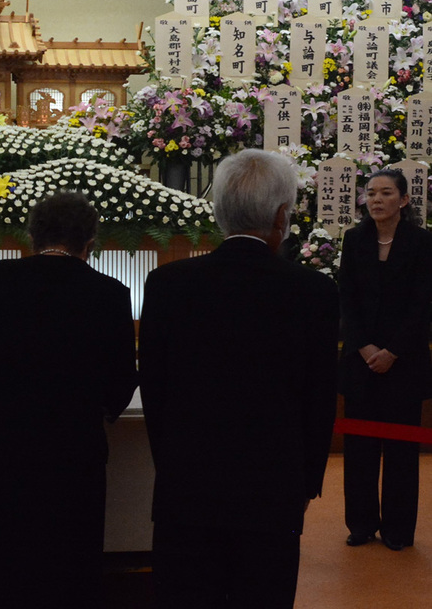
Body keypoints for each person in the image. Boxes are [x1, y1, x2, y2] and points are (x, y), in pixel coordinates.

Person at [138, 149, 339, 609]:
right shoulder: (313, 291)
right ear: (282, 215)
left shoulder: (168, 283)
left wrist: (169, 466)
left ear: (218, 211)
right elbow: (319, 397)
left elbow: (155, 388)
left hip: (186, 484)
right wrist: (305, 484)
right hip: (274, 488)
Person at [0, 192, 138, 609]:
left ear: (31, 235)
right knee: (67, 565)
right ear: (90, 243)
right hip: (75, 453)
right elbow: (121, 382)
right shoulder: (111, 293)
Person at [338, 168, 432, 551]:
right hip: (361, 362)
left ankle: (397, 530)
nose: (376, 200)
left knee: (401, 450)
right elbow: (347, 300)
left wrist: (392, 351)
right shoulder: (354, 239)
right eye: (371, 193)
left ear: (404, 200)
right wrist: (364, 348)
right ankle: (360, 525)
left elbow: (422, 305)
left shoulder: (423, 242)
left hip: (403, 364)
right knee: (359, 448)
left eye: (386, 193)